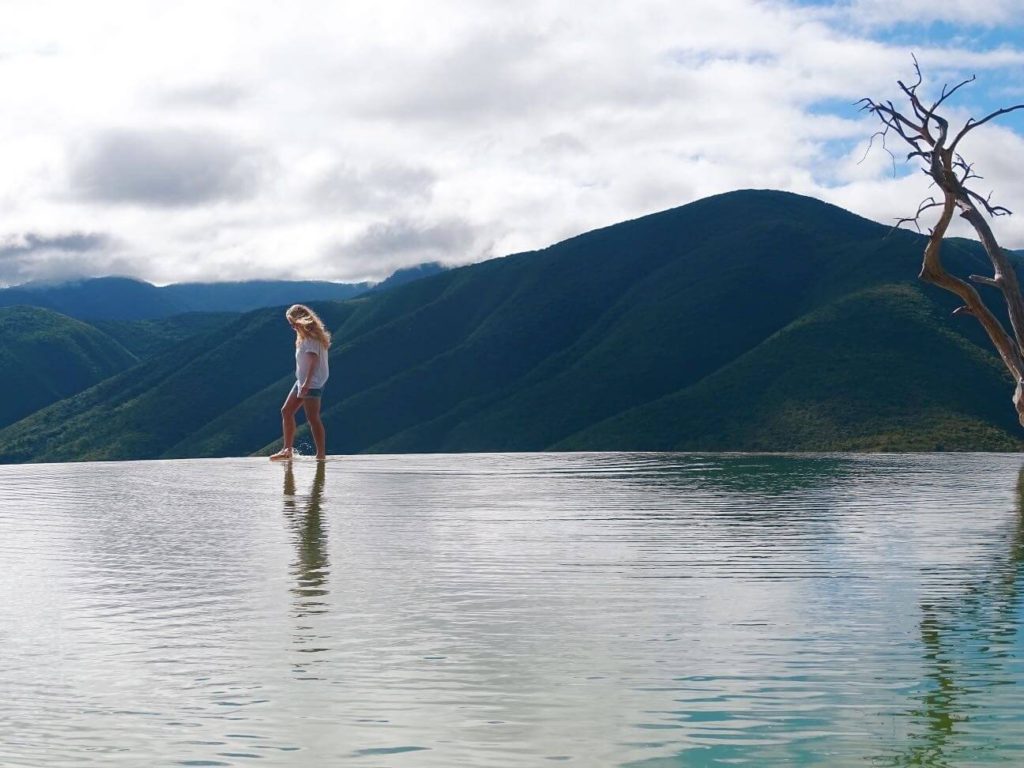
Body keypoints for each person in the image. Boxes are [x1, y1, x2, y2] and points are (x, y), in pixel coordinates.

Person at [270, 304, 330, 461]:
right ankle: (287, 450)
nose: (291, 326)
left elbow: (313, 361)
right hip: (302, 381)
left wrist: (306, 384)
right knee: (286, 411)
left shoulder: (311, 339)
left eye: (292, 322)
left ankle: (321, 454)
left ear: (300, 321)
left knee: (313, 418)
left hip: (311, 383)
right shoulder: (306, 337)